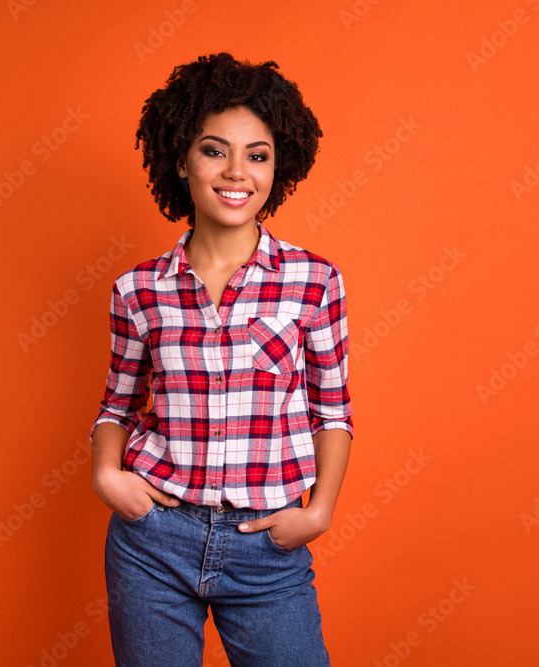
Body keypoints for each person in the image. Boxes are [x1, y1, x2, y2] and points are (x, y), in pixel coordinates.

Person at [88, 52, 354, 667]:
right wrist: (107, 477)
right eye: (214, 151)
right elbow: (117, 405)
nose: (236, 171)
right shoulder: (138, 290)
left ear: (277, 166)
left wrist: (318, 513)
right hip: (153, 540)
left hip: (267, 545)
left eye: (256, 155)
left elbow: (333, 413)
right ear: (181, 160)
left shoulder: (315, 281)